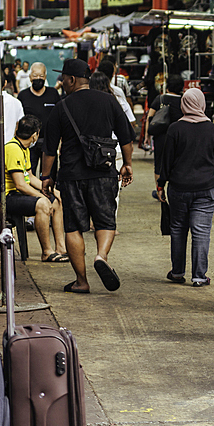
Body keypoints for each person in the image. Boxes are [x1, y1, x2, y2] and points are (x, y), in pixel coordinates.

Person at [41, 58, 135, 295]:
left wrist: (46, 177)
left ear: (72, 80)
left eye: (63, 78)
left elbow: (49, 149)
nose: (61, 82)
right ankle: (101, 256)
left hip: (72, 175)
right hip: (103, 171)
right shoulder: (108, 101)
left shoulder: (61, 106)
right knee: (105, 220)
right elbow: (126, 137)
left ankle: (81, 281)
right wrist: (128, 164)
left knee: (73, 227)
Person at [156, 88, 214, 287]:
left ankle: (178, 272)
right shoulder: (213, 129)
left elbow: (167, 160)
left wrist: (161, 184)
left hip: (179, 188)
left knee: (178, 229)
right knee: (201, 231)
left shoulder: (175, 129)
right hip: (207, 188)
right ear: (202, 104)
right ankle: (199, 276)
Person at [4, 114, 68, 262]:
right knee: (43, 204)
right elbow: (20, 184)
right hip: (7, 197)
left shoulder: (23, 148)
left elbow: (30, 177)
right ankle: (47, 252)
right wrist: (42, 197)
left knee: (57, 201)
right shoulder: (13, 149)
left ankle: (61, 248)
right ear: (35, 135)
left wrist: (52, 192)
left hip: (18, 193)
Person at [17, 62, 60, 176]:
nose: (38, 78)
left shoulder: (53, 94)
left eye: (41, 76)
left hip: (49, 141)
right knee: (28, 175)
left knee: (49, 176)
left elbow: (59, 117)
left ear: (45, 77)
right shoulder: (23, 96)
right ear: (30, 77)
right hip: (29, 143)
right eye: (35, 75)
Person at [147, 73, 185, 195]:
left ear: (167, 86)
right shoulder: (183, 101)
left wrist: (148, 135)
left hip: (161, 137)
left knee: (159, 163)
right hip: (179, 136)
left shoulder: (160, 99)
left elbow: (150, 117)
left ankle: (159, 191)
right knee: (177, 162)